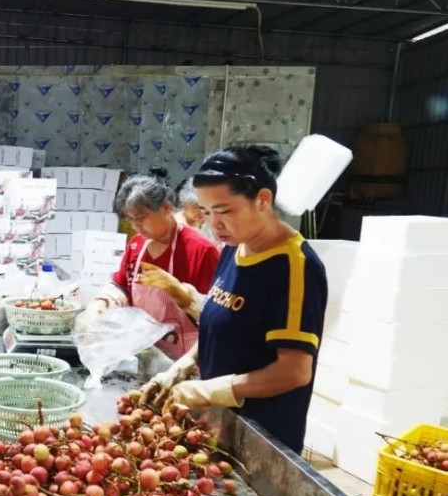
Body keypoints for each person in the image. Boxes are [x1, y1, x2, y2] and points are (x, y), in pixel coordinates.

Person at [140, 145, 327, 455]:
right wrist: (184, 365)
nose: (214, 224)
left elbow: (294, 371)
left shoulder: (294, 266)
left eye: (224, 211)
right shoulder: (234, 248)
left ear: (263, 200)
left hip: (262, 436)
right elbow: (222, 323)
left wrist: (212, 390)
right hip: (219, 426)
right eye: (207, 212)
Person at [80, 173, 220, 360]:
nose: (136, 226)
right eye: (130, 219)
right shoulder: (136, 245)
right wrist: (101, 302)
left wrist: (181, 294)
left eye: (141, 217)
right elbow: (121, 286)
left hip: (186, 360)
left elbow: (214, 315)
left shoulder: (201, 250)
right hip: (142, 353)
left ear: (166, 208)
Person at [174, 177, 217, 244]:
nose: (201, 212)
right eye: (196, 207)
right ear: (184, 204)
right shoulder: (175, 226)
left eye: (205, 206)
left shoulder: (210, 219)